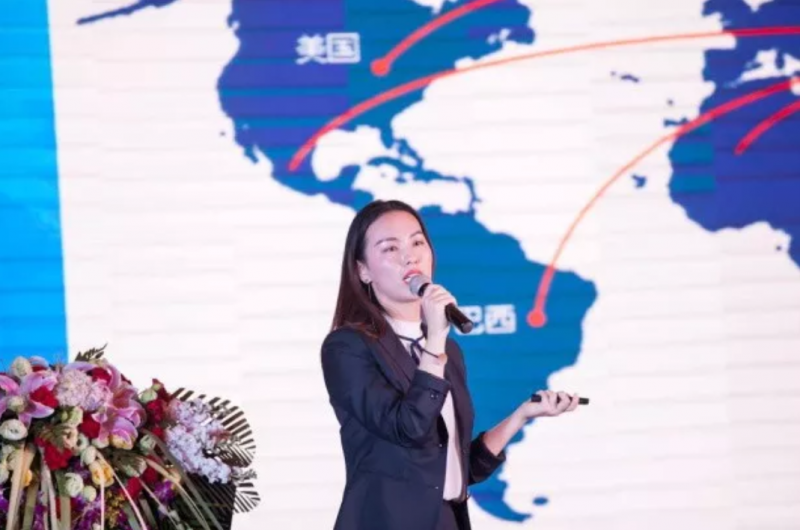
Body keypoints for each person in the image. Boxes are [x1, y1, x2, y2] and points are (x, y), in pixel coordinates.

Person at [321, 200, 581, 530]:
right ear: (363, 271)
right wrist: (434, 343)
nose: (410, 257)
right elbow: (408, 428)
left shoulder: (448, 351)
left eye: (417, 243)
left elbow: (455, 469)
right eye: (390, 248)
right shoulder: (348, 347)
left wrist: (521, 416)